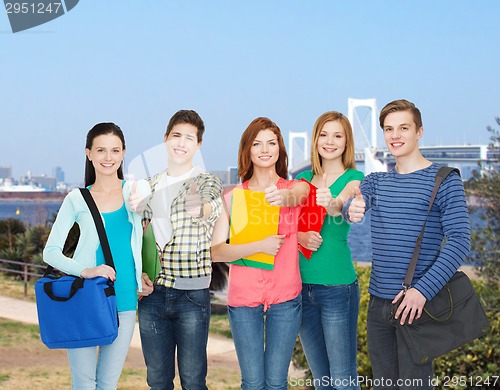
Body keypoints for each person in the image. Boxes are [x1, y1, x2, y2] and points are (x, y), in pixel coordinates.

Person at [343, 99, 470, 389]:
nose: (395, 135)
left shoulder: (445, 180)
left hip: (418, 307)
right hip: (378, 307)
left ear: (419, 132)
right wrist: (352, 207)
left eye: (403, 127)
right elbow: (353, 202)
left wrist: (422, 291)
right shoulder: (377, 181)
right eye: (389, 129)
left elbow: (460, 241)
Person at [43, 122, 152, 389]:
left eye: (115, 150)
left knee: (107, 384)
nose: (108, 157)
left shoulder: (136, 193)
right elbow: (51, 252)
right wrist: (86, 270)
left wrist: (144, 275)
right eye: (101, 150)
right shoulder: (76, 199)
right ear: (89, 153)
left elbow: (147, 239)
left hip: (125, 299)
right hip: (85, 297)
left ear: (124, 153)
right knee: (84, 383)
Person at [211, 117, 310, 390]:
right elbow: (216, 252)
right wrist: (259, 246)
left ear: (280, 148)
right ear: (248, 150)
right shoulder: (232, 197)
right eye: (257, 143)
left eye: (271, 142)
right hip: (244, 298)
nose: (265, 149)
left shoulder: (294, 189)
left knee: (277, 383)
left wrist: (284, 198)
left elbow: (301, 194)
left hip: (286, 296)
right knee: (253, 383)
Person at [136, 110, 223, 390]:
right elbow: (135, 235)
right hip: (152, 295)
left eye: (189, 138)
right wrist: (139, 275)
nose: (181, 143)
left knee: (194, 381)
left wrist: (201, 208)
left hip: (192, 296)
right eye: (176, 135)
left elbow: (211, 207)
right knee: (158, 381)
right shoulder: (148, 186)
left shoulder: (206, 181)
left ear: (198, 145)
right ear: (165, 138)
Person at [296, 112, 364, 389]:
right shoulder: (301, 179)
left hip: (337, 287)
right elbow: (284, 228)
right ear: (315, 140)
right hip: (300, 287)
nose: (330, 141)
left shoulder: (355, 178)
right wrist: (300, 236)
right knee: (321, 379)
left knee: (343, 378)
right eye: (324, 134)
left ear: (347, 142)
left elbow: (343, 209)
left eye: (337, 135)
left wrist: (331, 202)